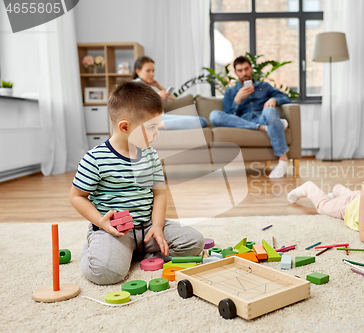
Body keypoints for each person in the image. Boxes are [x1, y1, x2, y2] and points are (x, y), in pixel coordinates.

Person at [70, 81, 205, 285]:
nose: (157, 133)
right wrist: (100, 222)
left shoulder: (150, 154)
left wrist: (158, 226)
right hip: (115, 231)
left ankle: (134, 252)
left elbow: (159, 193)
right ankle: (95, 248)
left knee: (195, 242)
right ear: (125, 126)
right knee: (106, 272)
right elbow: (77, 196)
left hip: (148, 227)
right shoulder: (95, 158)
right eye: (151, 128)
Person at [209, 56, 291, 178]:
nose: (244, 73)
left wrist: (273, 99)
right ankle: (264, 127)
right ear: (236, 72)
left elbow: (286, 98)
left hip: (263, 117)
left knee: (269, 111)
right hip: (242, 122)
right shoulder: (231, 92)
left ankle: (283, 160)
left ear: (251, 69)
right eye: (240, 70)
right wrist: (237, 100)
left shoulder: (264, 86)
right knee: (214, 115)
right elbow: (229, 117)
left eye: (246, 69)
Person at [133, 56, 208, 130]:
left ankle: (154, 125)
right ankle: (152, 126)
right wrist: (157, 97)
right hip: (152, 118)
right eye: (148, 71)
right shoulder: (135, 85)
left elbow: (172, 99)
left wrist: (158, 85)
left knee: (201, 121)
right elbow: (136, 107)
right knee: (201, 121)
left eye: (153, 71)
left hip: (159, 118)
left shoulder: (147, 86)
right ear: (138, 71)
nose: (152, 74)